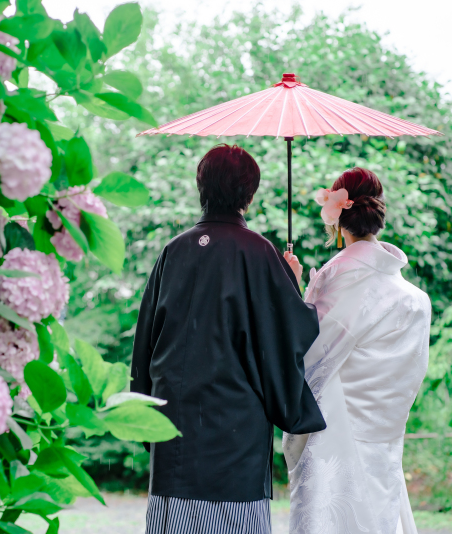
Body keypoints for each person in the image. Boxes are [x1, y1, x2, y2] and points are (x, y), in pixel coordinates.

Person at [131, 144, 327, 534]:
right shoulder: (260, 252)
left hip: (175, 428)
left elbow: (144, 346)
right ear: (249, 195)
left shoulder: (174, 250)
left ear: (200, 187)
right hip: (235, 430)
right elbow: (292, 331)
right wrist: (291, 281)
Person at [282, 167, 431, 534]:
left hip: (335, 436)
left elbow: (309, 353)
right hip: (385, 440)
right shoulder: (416, 300)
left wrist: (293, 289)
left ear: (338, 217)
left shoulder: (336, 278)